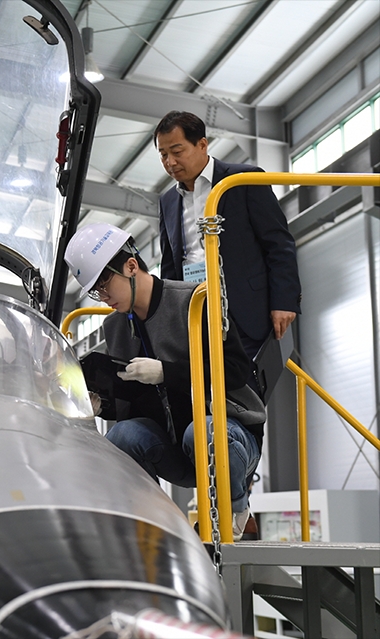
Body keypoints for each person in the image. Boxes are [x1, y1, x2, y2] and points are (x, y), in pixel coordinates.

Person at [65, 223, 266, 540]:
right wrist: (104, 405)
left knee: (202, 430)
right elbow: (136, 407)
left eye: (104, 285)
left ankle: (236, 510)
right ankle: (154, 528)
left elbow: (236, 370)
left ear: (131, 266)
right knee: (121, 435)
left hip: (228, 440)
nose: (103, 298)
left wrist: (166, 372)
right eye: (95, 292)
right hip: (176, 450)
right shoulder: (115, 328)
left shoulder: (194, 300)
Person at [154, 110, 301, 360]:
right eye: (163, 154)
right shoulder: (167, 201)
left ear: (202, 145)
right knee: (206, 383)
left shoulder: (243, 180)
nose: (170, 162)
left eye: (177, 151)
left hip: (247, 312)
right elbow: (170, 266)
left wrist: (284, 301)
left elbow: (278, 244)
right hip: (197, 313)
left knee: (249, 383)